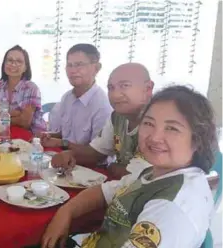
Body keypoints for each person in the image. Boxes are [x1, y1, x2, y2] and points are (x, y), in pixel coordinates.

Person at [42, 85, 217, 248]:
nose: (155, 137)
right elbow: (105, 191)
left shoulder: (173, 207)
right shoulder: (157, 172)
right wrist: (66, 211)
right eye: (148, 123)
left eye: (172, 128)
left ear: (198, 139)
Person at [51, 63, 154, 179]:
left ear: (148, 89)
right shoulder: (117, 117)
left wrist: (111, 166)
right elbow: (96, 153)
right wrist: (70, 154)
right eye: (111, 88)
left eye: (125, 85)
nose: (115, 95)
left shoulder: (158, 124)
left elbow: (142, 176)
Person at [41, 44, 112, 148]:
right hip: (65, 159)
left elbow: (97, 154)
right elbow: (65, 135)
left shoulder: (102, 106)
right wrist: (47, 136)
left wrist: (62, 143)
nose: (73, 70)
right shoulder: (67, 98)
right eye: (69, 65)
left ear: (96, 68)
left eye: (79, 64)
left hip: (88, 164)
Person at [0, 45, 46, 133]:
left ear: (25, 68)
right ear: (4, 64)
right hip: (8, 133)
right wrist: (13, 114)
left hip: (33, 137)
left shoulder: (31, 88)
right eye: (10, 60)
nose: (13, 64)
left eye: (19, 61)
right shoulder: (0, 85)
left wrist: (2, 118)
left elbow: (24, 123)